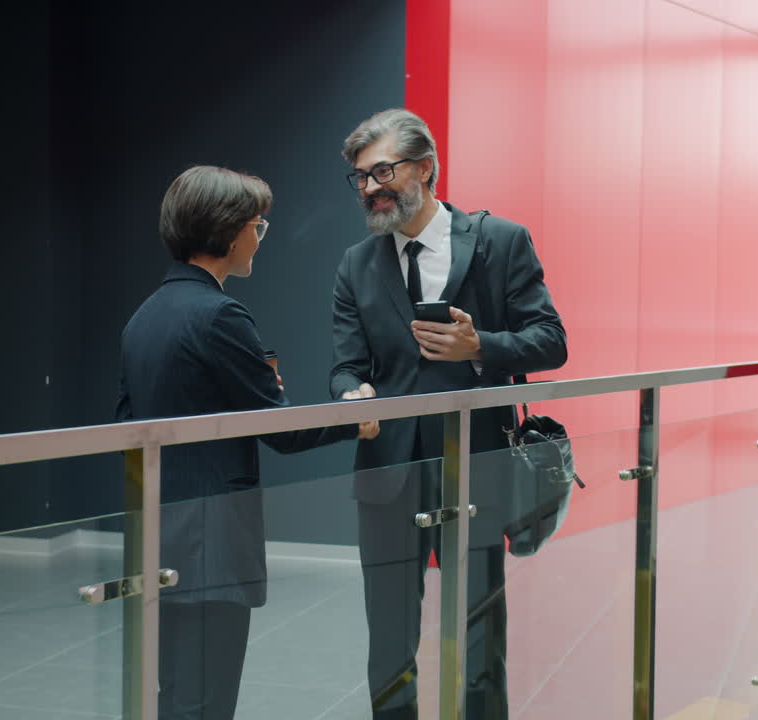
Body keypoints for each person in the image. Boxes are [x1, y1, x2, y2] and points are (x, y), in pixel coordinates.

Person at [117, 165, 379, 720]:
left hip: (157, 534)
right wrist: (355, 415)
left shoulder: (143, 318)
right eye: (258, 225)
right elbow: (279, 431)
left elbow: (130, 426)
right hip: (211, 541)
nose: (260, 236)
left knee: (174, 694)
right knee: (207, 700)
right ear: (229, 229)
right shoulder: (220, 315)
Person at [330, 109, 567, 719]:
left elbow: (551, 340)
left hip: (477, 470)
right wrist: (351, 390)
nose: (370, 188)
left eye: (382, 170)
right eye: (359, 177)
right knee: (388, 643)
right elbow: (345, 365)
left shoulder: (500, 240)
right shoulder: (355, 264)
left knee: (481, 634)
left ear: (426, 166)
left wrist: (481, 346)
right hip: (386, 476)